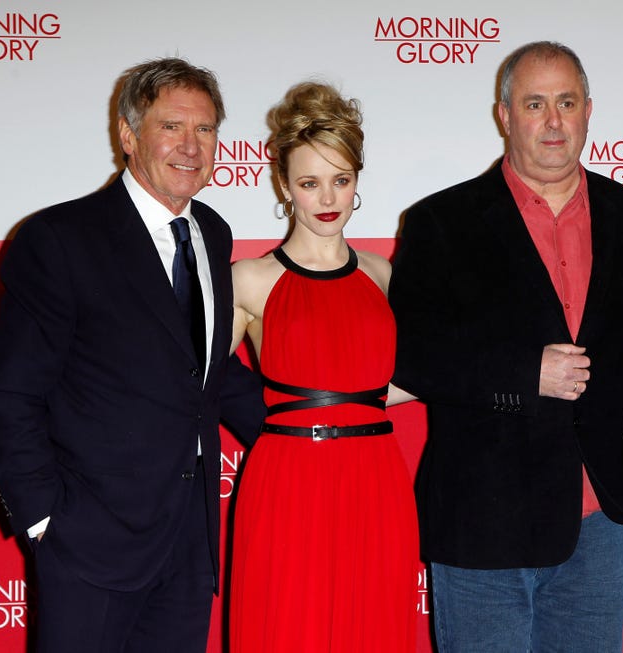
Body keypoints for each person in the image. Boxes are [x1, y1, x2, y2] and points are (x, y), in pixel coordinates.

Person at [0, 57, 266, 653]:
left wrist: (312, 432)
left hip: (189, 541)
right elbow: (11, 396)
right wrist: (45, 522)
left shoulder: (212, 231)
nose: (191, 145)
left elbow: (206, 376)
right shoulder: (59, 240)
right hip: (91, 542)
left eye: (206, 129)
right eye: (171, 127)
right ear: (129, 136)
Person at [388, 41, 623, 652]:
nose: (553, 121)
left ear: (589, 111)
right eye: (535, 104)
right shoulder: (441, 221)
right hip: (484, 518)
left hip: (602, 520)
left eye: (566, 102)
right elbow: (409, 354)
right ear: (504, 115)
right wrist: (523, 370)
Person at [227, 81, 419, 652]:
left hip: (376, 478)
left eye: (341, 179)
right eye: (310, 183)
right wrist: (275, 423)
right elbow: (194, 381)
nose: (327, 197)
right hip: (288, 478)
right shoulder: (251, 278)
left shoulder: (383, 275)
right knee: (288, 627)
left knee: (372, 627)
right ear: (284, 185)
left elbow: (402, 379)